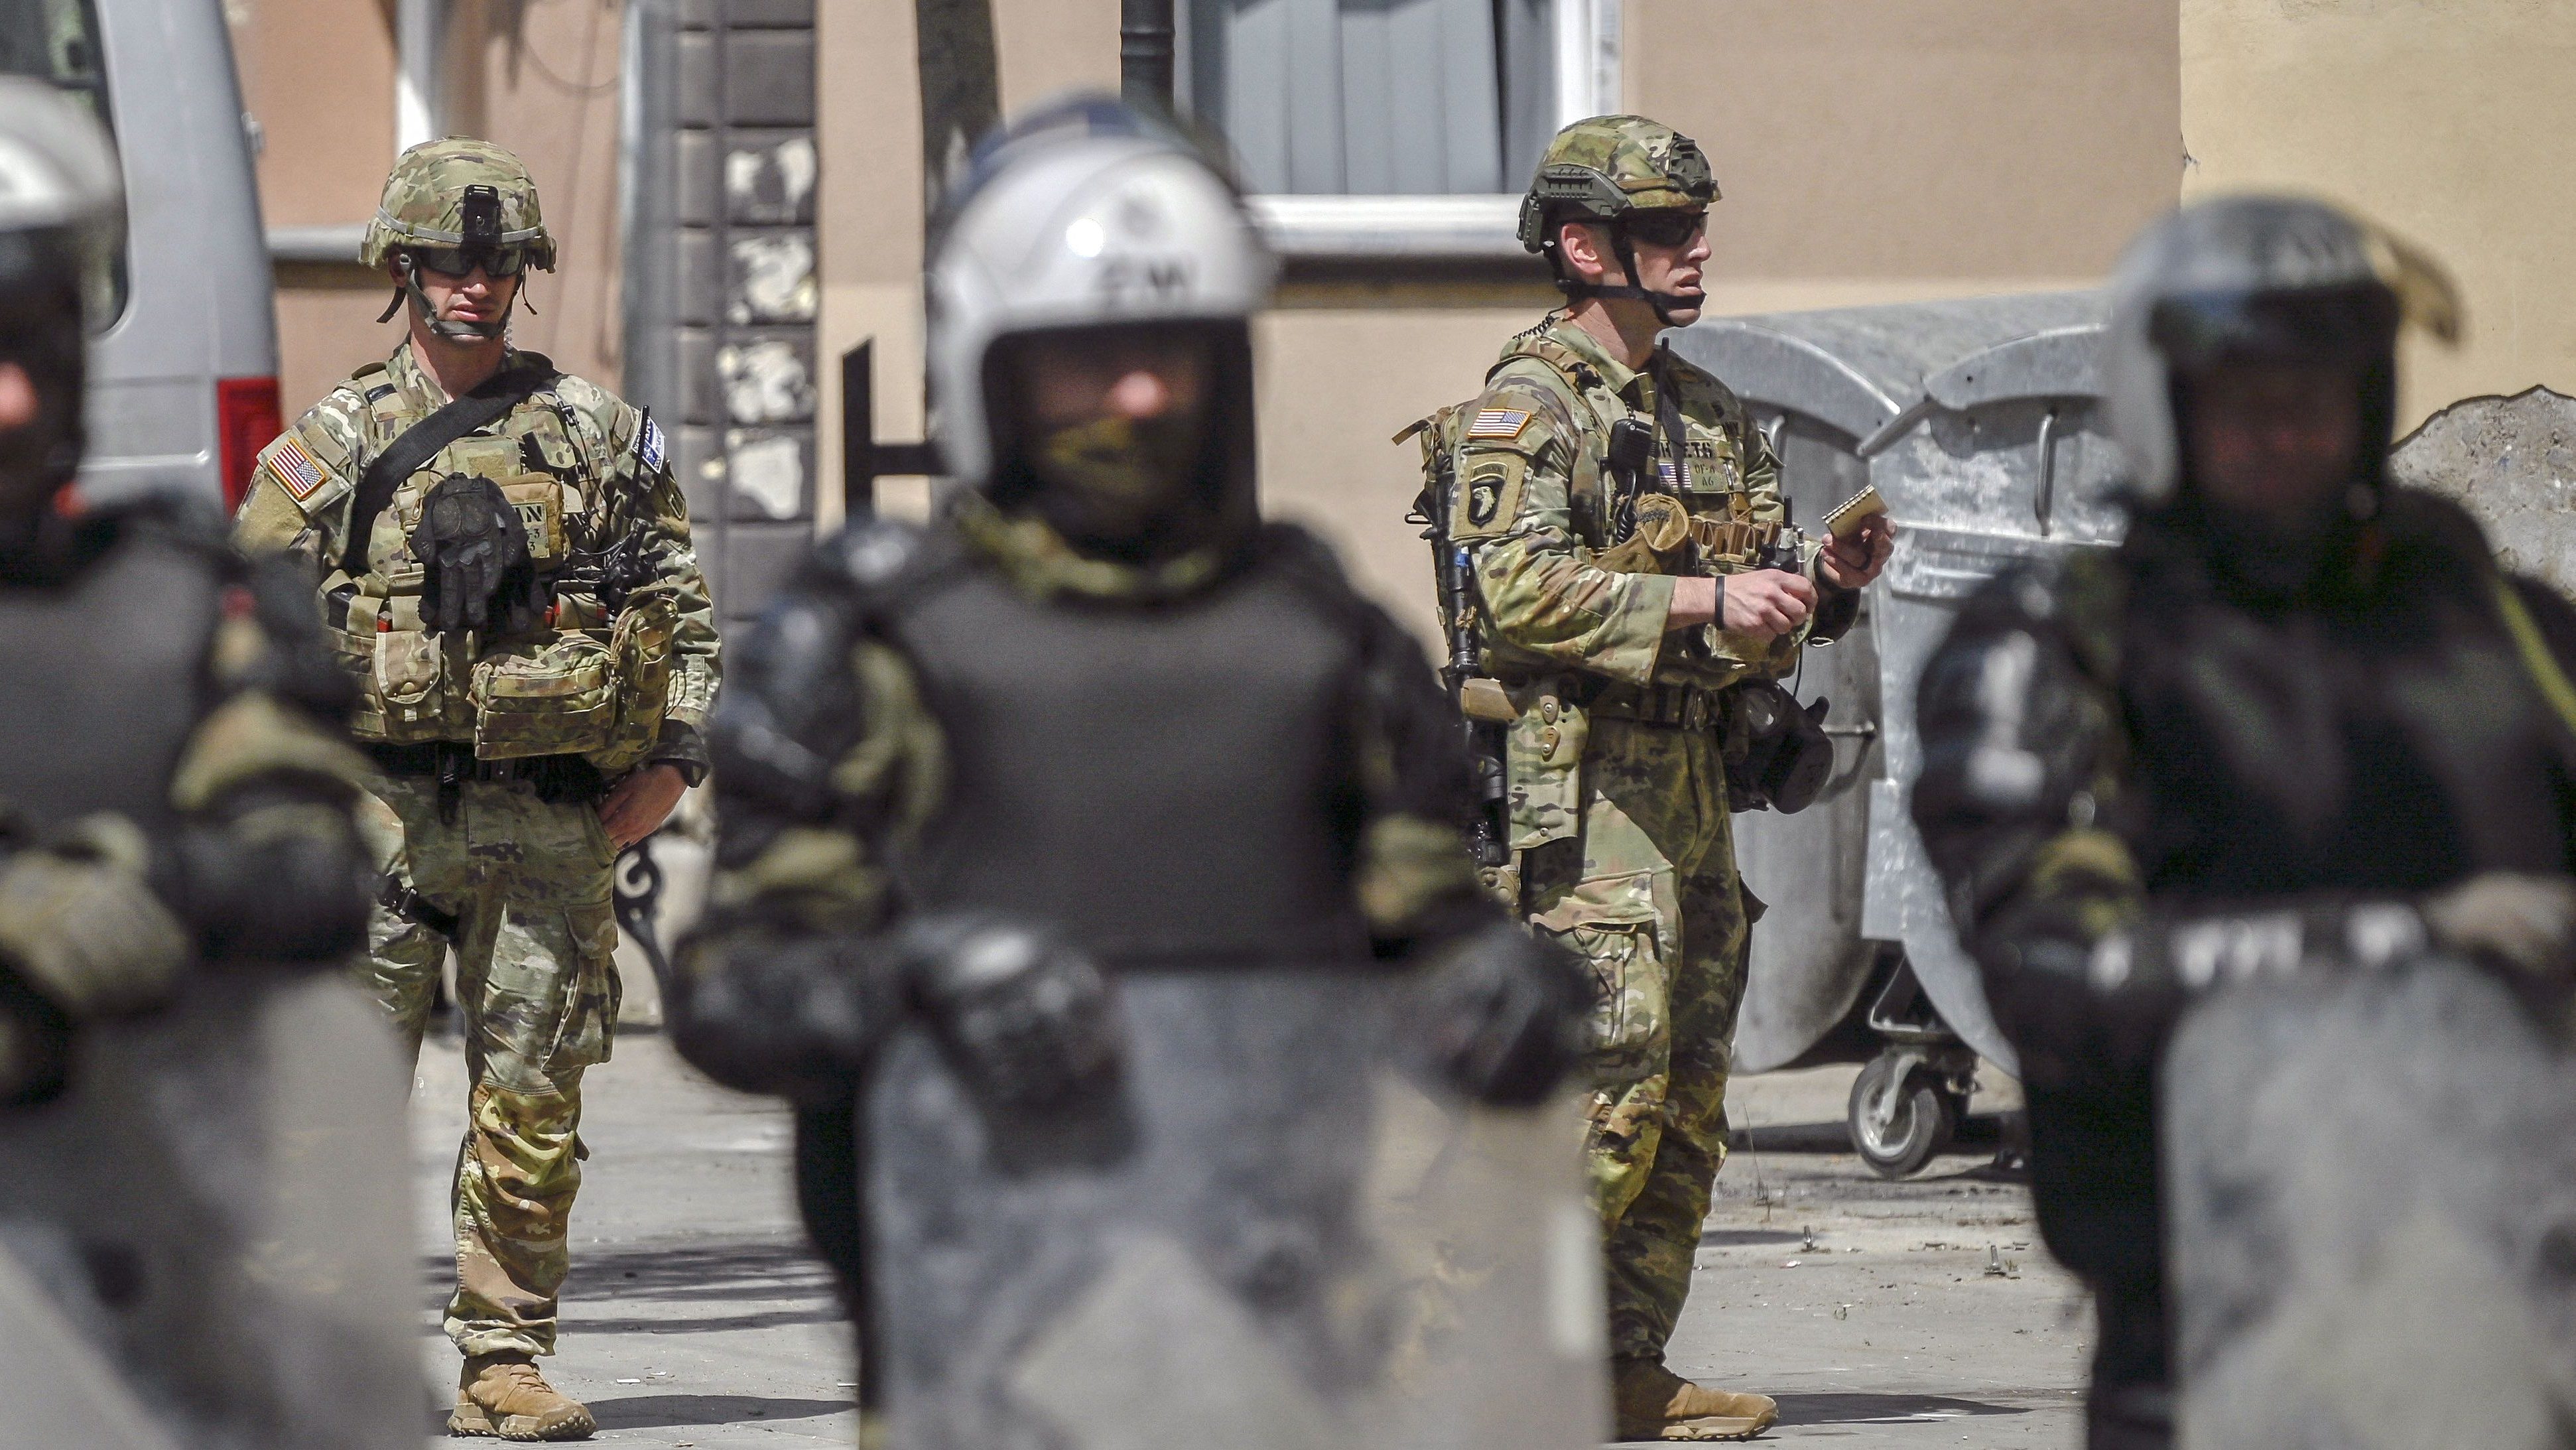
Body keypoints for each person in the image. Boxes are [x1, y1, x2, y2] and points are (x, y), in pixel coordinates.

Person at [669, 96, 1597, 1447]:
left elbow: (1423, 924)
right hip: (981, 1345)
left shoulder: (1323, 644)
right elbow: (733, 987)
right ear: (991, 370)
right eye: (1090, 360)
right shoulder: (868, 647)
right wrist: (911, 980)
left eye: (1174, 353)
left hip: (1283, 1333)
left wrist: (1492, 991)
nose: (1143, 397)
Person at [1908, 194, 2576, 1449]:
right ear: (2166, 406)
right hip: (2214, 1326)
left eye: (2317, 396)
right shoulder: (2064, 643)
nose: (2286, 433)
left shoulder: (2487, 627)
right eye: (2244, 400)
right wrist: (2414, 944)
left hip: (2516, 1290)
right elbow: (2053, 973)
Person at [233, 137, 721, 1441]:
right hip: (378, 817)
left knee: (534, 1095)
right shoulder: (336, 443)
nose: (475, 281)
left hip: (548, 815)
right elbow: (245, 624)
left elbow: (678, 604)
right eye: (450, 257)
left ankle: (504, 1355)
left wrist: (672, 760)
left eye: (499, 261)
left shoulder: (595, 436)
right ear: (402, 267)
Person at [1445, 113, 1894, 1441]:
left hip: (1690, 791)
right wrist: (1705, 596)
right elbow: (1513, 590)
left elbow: (1760, 599)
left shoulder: (1706, 409)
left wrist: (1820, 585)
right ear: (1587, 248)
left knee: (1687, 1093)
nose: (1697, 251)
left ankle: (1620, 1365)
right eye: (1666, 230)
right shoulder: (1527, 407)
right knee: (1600, 1085)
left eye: (1699, 226)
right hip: (1579, 801)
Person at [0, 78, 399, 1443]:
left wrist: (147, 884)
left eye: (39, 344)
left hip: (130, 1312)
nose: (10, 398)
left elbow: (310, 865)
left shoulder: (184, 611)